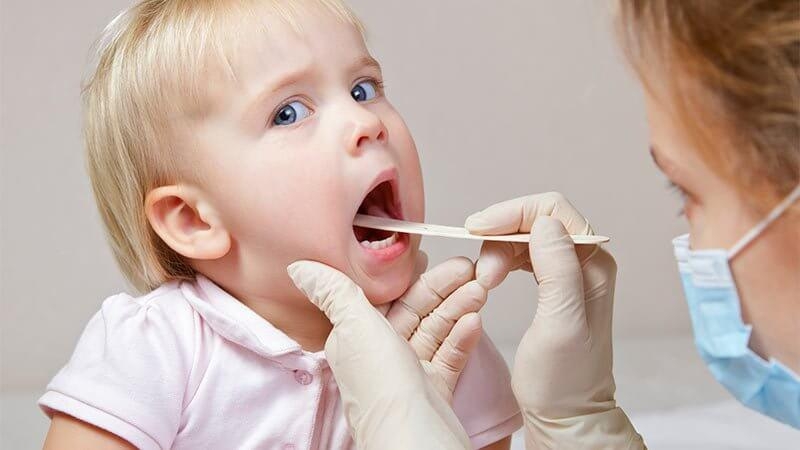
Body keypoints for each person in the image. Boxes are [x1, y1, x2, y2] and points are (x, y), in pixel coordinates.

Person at [289, 0, 799, 448]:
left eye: (685, 191)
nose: (366, 122)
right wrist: (580, 421)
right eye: (288, 113)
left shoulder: (462, 357)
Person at [39, 1, 523, 448]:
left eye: (363, 89)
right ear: (194, 220)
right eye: (288, 113)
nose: (365, 122)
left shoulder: (445, 345)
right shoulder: (152, 349)